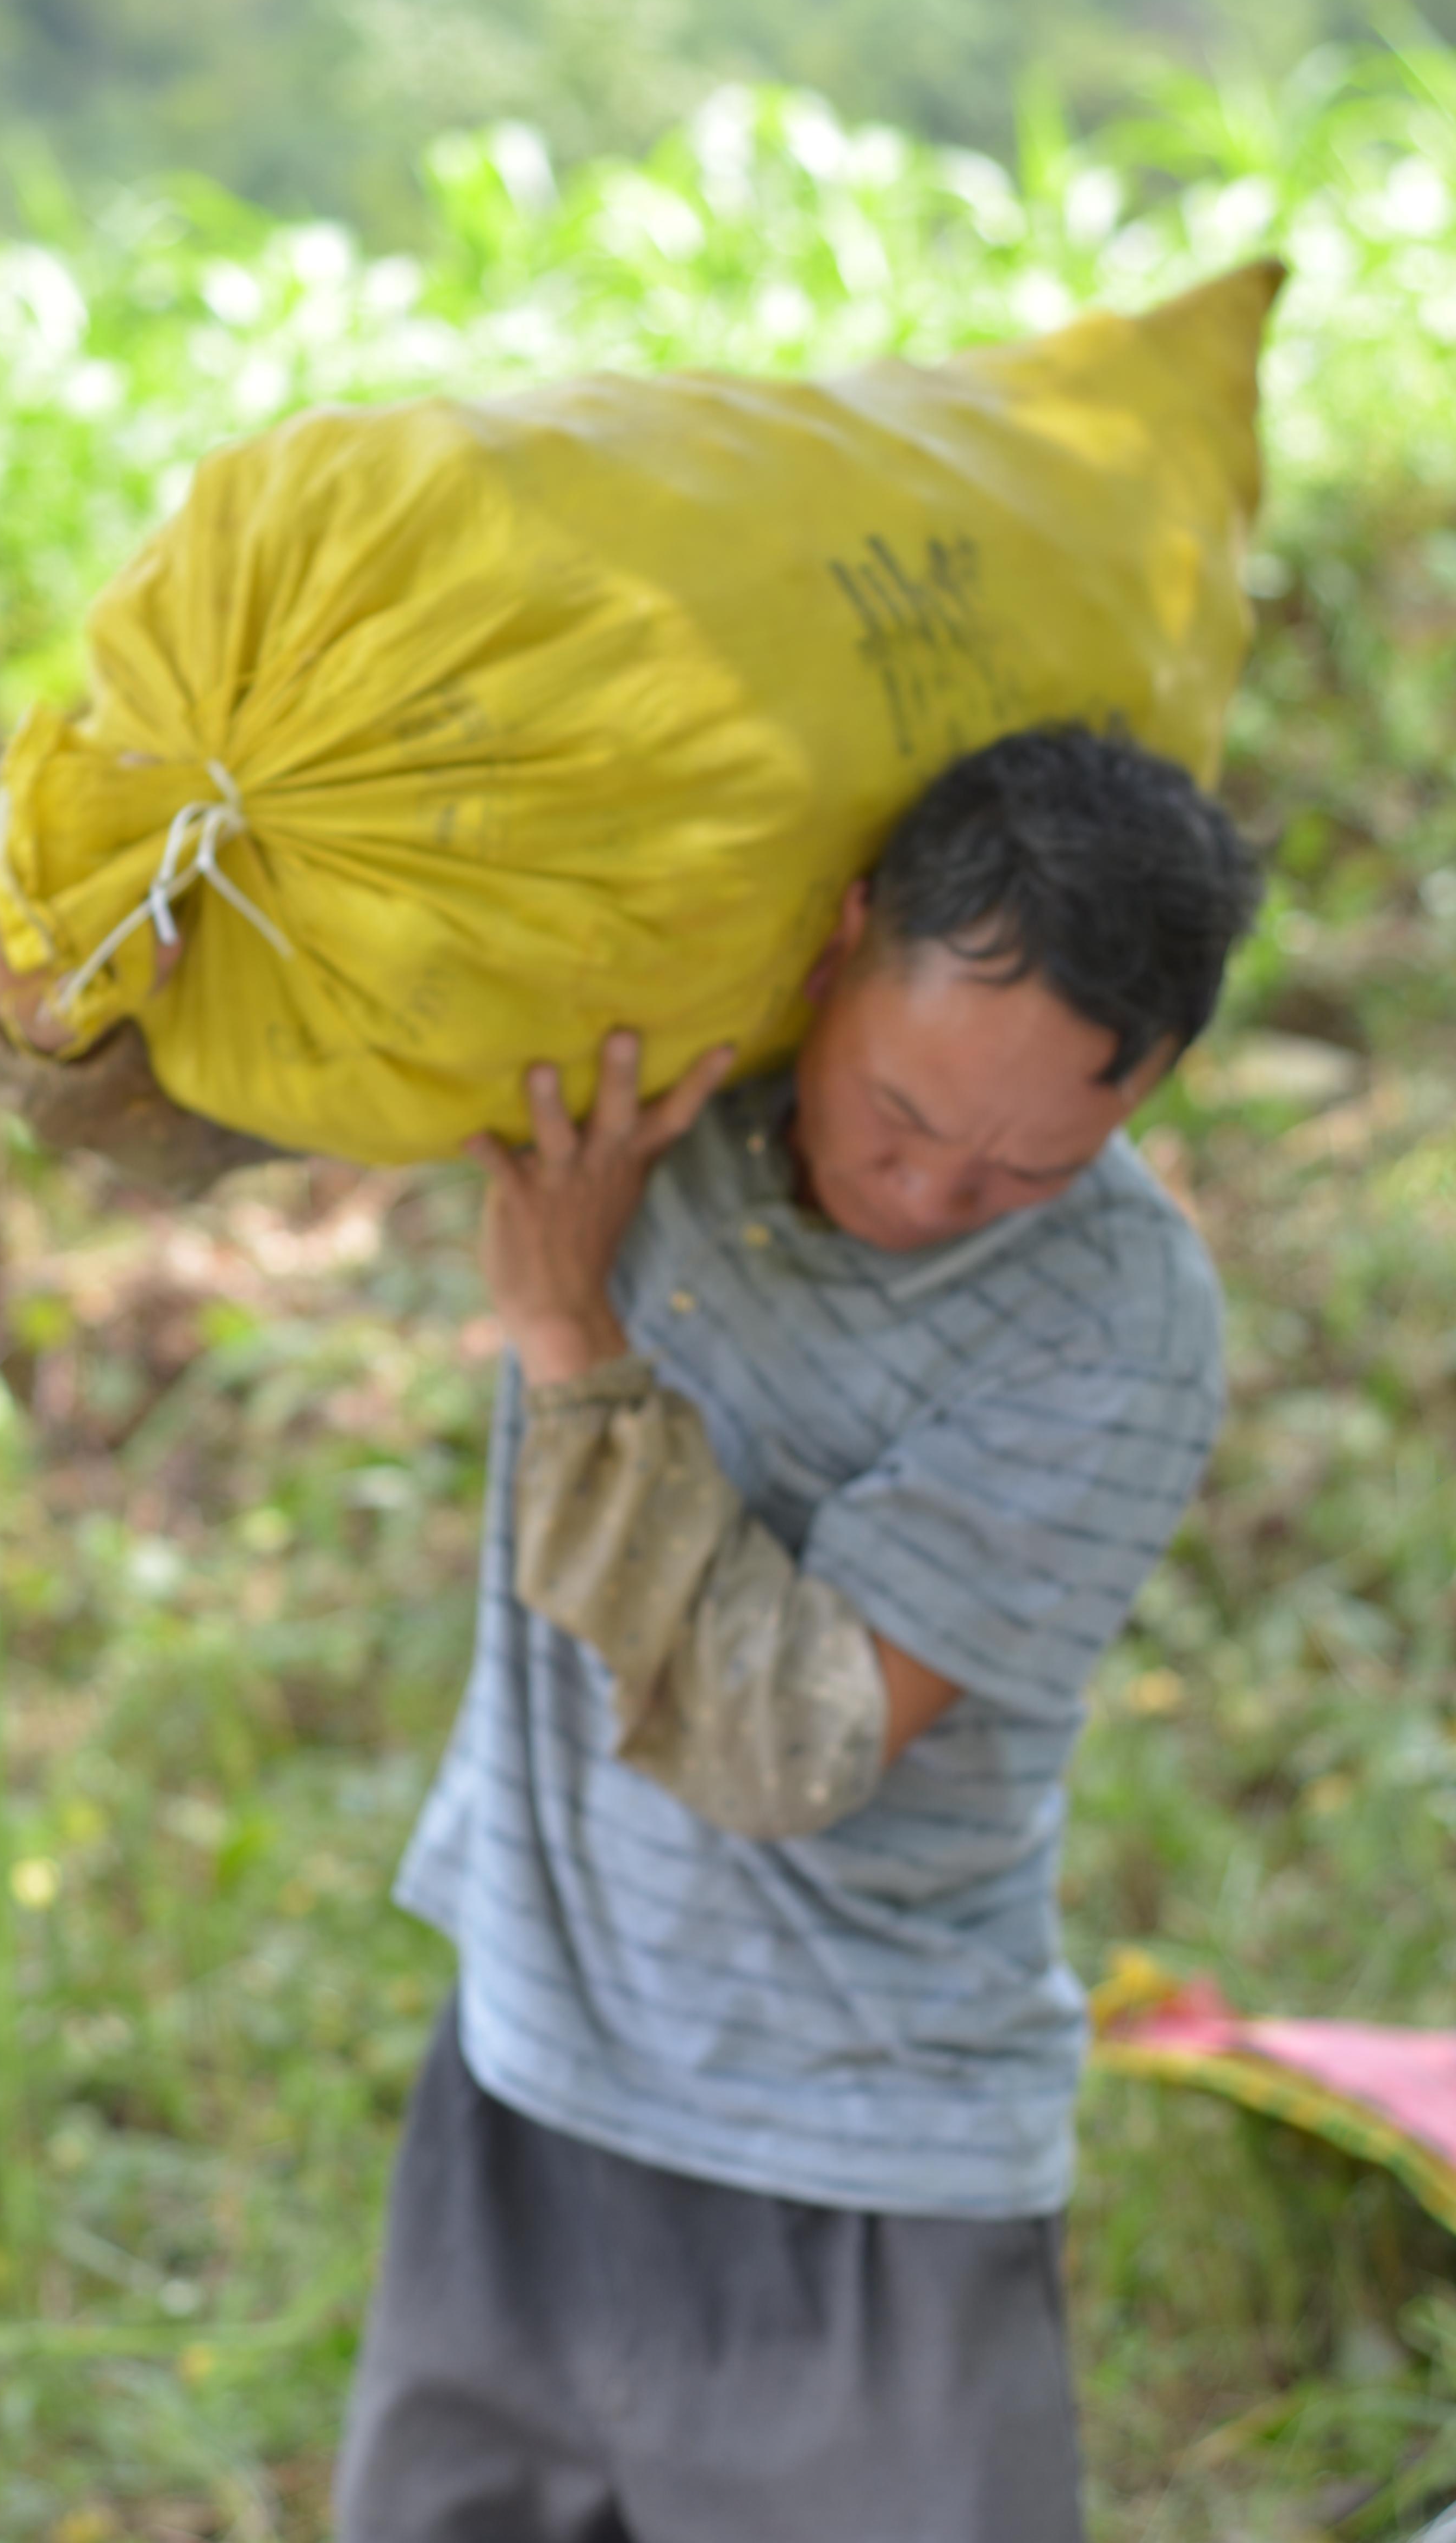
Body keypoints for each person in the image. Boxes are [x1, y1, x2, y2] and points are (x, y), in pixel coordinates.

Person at [333, 722, 1262, 2543]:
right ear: (839, 942)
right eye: (904, 1118)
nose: (924, 1197)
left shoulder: (1114, 1331)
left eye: (1019, 1167)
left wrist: (569, 1342)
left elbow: (793, 1744)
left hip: (857, 2157)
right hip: (533, 2057)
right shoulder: (674, 1049)